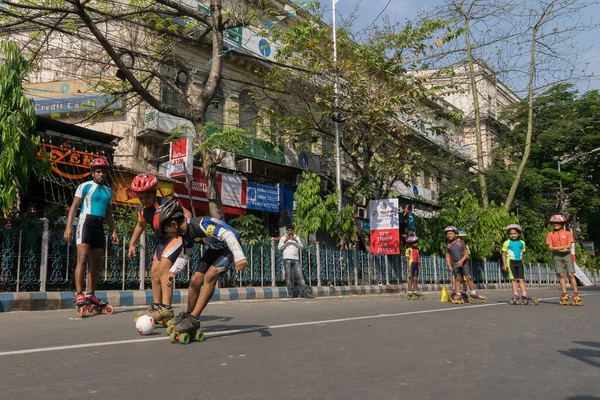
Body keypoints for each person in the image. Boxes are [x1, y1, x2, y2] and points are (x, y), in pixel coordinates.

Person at [154, 198, 248, 333]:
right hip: (215, 249)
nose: (166, 234)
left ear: (174, 224)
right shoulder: (185, 234)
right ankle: (188, 314)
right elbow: (186, 253)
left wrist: (239, 257)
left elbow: (228, 235)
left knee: (210, 275)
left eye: (165, 230)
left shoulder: (200, 225)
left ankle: (194, 318)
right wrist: (173, 271)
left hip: (230, 247)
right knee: (195, 280)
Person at [128, 173, 190, 324]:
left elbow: (186, 212)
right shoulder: (142, 210)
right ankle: (157, 307)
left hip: (175, 238)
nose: (144, 201)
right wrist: (131, 243)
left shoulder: (166, 203)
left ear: (154, 192)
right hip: (161, 241)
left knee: (164, 268)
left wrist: (188, 230)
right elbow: (141, 225)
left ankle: (167, 308)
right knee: (154, 271)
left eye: (147, 198)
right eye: (140, 198)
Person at [64, 158, 118, 308]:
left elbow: (108, 214)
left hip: (99, 226)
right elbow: (74, 207)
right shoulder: (85, 186)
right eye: (98, 171)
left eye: (103, 172)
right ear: (93, 172)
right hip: (85, 223)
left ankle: (91, 294)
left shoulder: (109, 191)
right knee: (83, 257)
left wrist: (113, 230)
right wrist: (69, 227)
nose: (101, 174)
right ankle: (79, 293)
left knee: (96, 261)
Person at [546, 214, 581, 305]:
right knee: (561, 274)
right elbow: (550, 248)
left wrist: (557, 248)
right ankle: (564, 294)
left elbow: (569, 246)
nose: (556, 225)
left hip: (567, 255)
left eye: (558, 223)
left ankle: (576, 294)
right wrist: (562, 248)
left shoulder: (567, 233)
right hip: (557, 256)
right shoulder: (550, 235)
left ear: (562, 224)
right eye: (554, 223)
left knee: (571, 274)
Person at [502, 224, 536, 305]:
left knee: (521, 279)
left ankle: (524, 294)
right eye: (511, 234)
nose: (513, 235)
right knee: (514, 279)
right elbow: (503, 254)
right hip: (510, 262)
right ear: (509, 235)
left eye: (515, 233)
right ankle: (515, 294)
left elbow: (521, 252)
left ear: (519, 234)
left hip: (519, 262)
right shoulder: (507, 243)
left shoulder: (522, 243)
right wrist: (504, 264)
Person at [278, 224, 314, 299]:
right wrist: (286, 241)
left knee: (300, 276)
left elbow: (301, 247)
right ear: (286, 231)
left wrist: (295, 240)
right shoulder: (283, 238)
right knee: (288, 277)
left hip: (296, 259)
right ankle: (290, 293)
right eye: (288, 230)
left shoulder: (296, 237)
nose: (289, 232)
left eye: (291, 230)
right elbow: (279, 248)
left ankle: (305, 293)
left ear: (293, 230)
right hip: (287, 259)